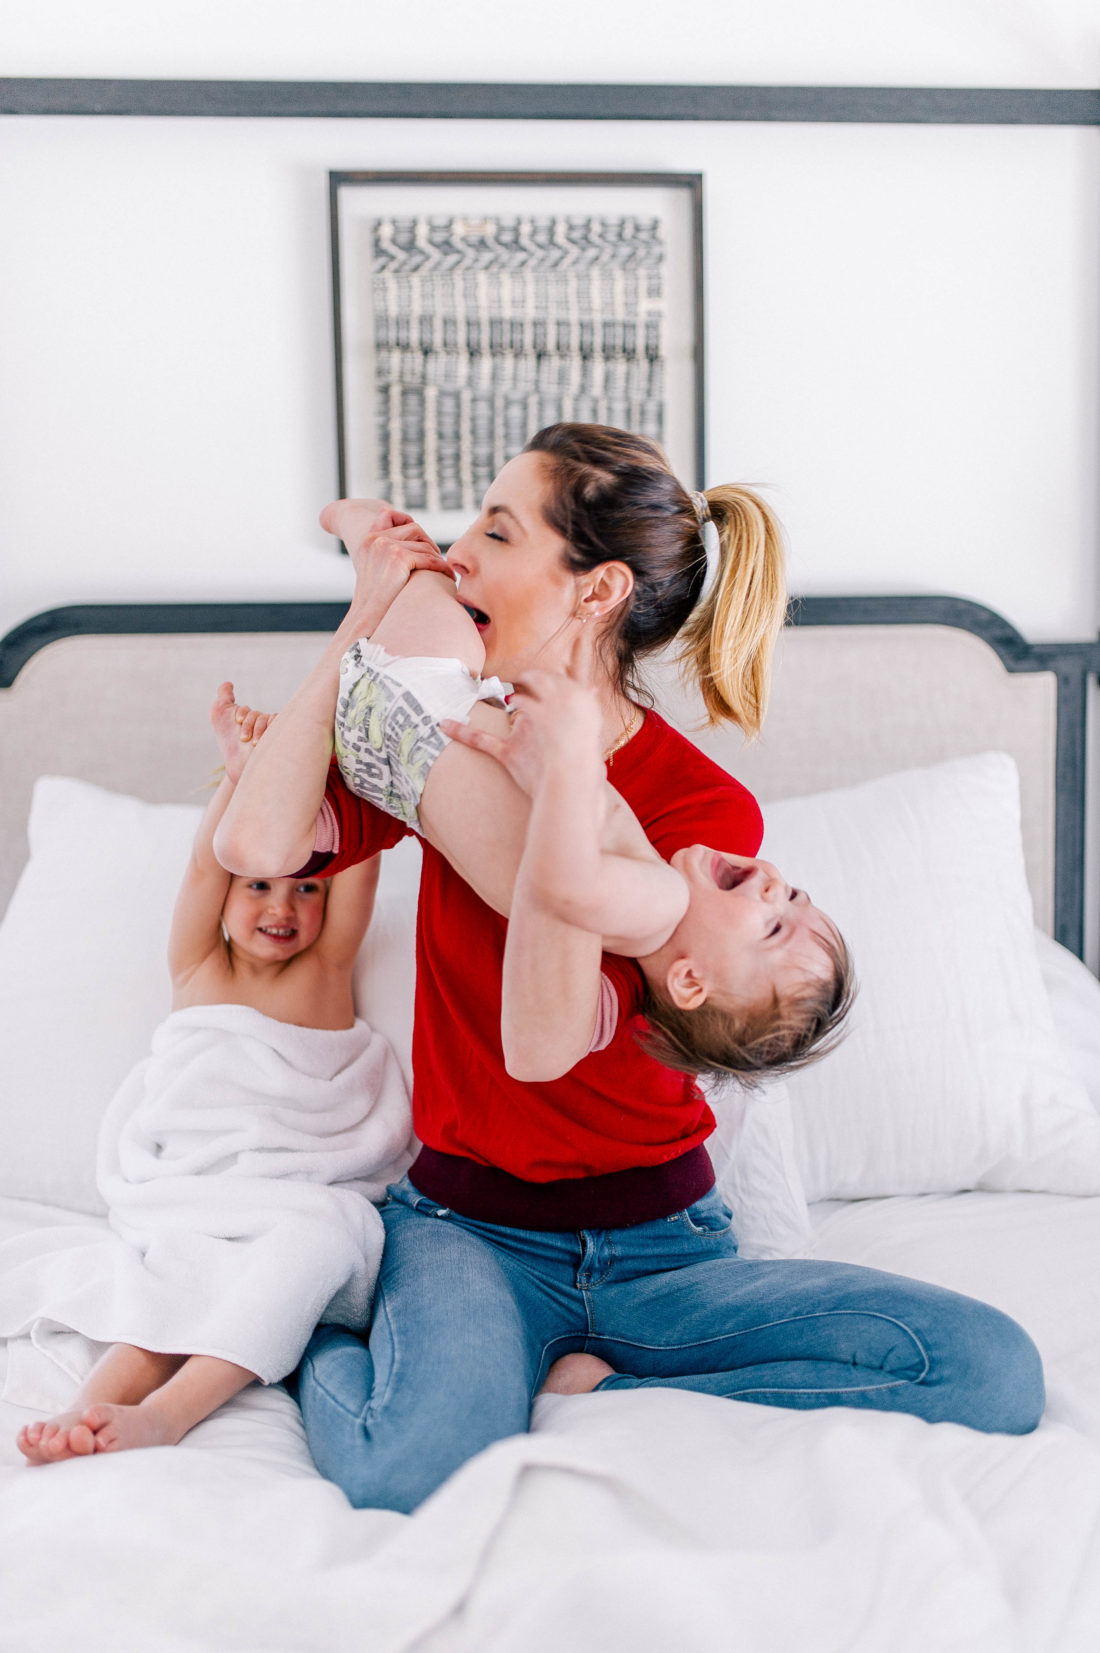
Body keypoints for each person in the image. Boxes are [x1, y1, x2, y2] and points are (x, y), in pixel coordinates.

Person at [216, 423, 1045, 1515]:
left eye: (499, 531)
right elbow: (263, 845)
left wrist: (559, 778)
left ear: (595, 588)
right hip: (468, 1232)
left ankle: (616, 1369)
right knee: (406, 1470)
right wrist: (364, 619)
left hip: (670, 1248)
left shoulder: (704, 818)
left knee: (991, 1371)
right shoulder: (447, 743)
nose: (462, 554)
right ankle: (330, 1334)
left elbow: (552, 1028)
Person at [13, 688, 412, 1466]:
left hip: (297, 1198)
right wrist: (244, 773)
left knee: (307, 1251)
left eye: (307, 887)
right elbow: (206, 859)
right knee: (171, 1291)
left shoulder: (327, 967)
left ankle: (168, 1415)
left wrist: (342, 753)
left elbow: (362, 856)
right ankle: (82, 1409)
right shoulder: (197, 965)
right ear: (226, 892)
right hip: (196, 1193)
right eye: (258, 883)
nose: (283, 906)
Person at [328, 544, 852, 1088]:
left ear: (599, 594)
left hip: (633, 1170)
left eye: (772, 928)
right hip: (445, 1167)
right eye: (794, 895)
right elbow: (275, 844)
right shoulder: (653, 870)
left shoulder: (686, 854)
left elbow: (568, 903)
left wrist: (563, 771)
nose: (775, 888)